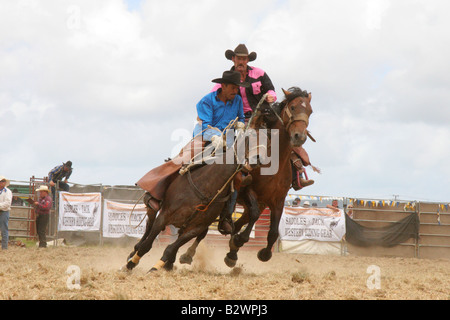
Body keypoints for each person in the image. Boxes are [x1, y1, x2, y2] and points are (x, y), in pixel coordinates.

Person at [137, 71, 249, 231]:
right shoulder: (206, 101)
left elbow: (240, 118)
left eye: (237, 88)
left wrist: (241, 125)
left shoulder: (237, 100)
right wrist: (216, 136)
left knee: (237, 175)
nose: (235, 91)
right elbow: (205, 125)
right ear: (223, 86)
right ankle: (156, 194)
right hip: (205, 135)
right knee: (184, 160)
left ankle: (226, 216)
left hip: (227, 141)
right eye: (232, 87)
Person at [220, 44, 316, 191]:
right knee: (236, 141)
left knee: (286, 133)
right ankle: (238, 174)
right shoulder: (229, 77)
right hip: (239, 117)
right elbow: (218, 92)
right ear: (233, 59)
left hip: (264, 113)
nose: (241, 61)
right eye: (238, 58)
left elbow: (270, 88)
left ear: (247, 60)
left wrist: (271, 96)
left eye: (244, 59)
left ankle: (297, 175)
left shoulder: (259, 73)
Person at [0, 176, 12, 250]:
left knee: (4, 230)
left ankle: (4, 247)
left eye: (3, 181)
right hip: (3, 210)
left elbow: (8, 203)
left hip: (4, 212)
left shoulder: (8, 191)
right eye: (1, 181)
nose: (1, 183)